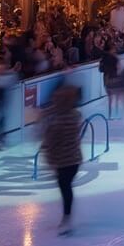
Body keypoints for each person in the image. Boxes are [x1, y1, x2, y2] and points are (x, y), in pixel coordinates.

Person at [39, 85, 83, 235]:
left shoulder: (60, 121)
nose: (54, 101)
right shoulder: (74, 115)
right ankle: (67, 217)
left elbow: (51, 140)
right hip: (73, 159)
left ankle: (67, 218)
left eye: (57, 99)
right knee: (65, 186)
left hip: (65, 161)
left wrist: (47, 150)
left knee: (65, 187)